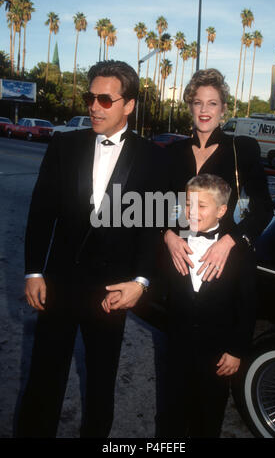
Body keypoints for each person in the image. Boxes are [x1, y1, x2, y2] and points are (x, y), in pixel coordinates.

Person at [16, 60, 168, 438]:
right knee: (43, 380)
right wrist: (34, 271)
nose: (94, 106)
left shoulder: (153, 157)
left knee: (101, 384)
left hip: (111, 291)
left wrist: (142, 281)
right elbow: (40, 213)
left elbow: (155, 227)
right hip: (59, 284)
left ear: (128, 105)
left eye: (105, 99)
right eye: (90, 97)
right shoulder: (64, 144)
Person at [161, 173, 257, 437]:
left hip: (217, 355)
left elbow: (247, 305)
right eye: (189, 204)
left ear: (222, 210)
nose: (192, 211)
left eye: (202, 206)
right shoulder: (174, 243)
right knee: (170, 416)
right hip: (177, 350)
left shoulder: (240, 253)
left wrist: (237, 350)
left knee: (208, 417)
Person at [164, 68, 273, 281]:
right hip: (178, 264)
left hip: (227, 264)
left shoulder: (241, 149)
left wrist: (229, 242)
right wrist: (168, 235)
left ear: (223, 109)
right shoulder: (173, 152)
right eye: (198, 102)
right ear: (190, 107)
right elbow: (155, 204)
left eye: (212, 103)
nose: (204, 110)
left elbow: (263, 209)